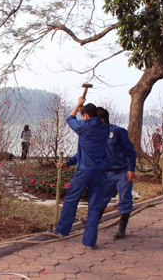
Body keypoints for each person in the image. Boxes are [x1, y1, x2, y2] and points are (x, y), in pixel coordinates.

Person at [52, 97, 109, 249]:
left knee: (71, 199)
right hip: (100, 172)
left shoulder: (84, 127)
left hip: (85, 171)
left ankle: (62, 231)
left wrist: (77, 104)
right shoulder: (104, 128)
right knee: (95, 206)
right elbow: (82, 151)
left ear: (85, 116)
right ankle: (90, 242)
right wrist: (68, 163)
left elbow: (70, 118)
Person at [96, 107, 136, 239]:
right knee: (101, 197)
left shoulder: (118, 131)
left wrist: (131, 168)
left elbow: (130, 151)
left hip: (122, 171)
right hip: (107, 172)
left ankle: (121, 228)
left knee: (124, 198)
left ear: (101, 119)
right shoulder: (96, 133)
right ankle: (93, 222)